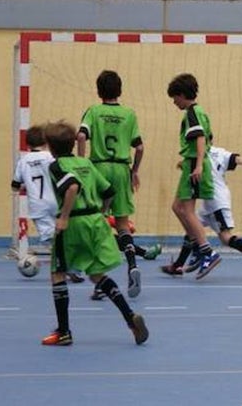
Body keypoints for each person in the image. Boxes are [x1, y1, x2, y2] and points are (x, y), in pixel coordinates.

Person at [40, 120, 148, 347]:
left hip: (74, 224)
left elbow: (71, 187)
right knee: (96, 274)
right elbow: (109, 190)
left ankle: (64, 332)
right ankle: (130, 317)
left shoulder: (56, 166)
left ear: (50, 146)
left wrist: (64, 217)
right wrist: (102, 211)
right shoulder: (86, 163)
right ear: (71, 144)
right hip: (95, 221)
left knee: (58, 273)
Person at [160, 146, 242, 281]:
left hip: (218, 201)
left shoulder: (211, 153)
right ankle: (179, 265)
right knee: (192, 228)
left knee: (225, 237)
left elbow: (238, 159)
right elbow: (238, 159)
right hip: (208, 202)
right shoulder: (214, 153)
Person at [77, 70, 144, 298]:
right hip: (122, 169)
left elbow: (82, 135)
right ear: (120, 90)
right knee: (123, 224)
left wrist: (82, 162)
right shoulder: (129, 114)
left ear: (99, 91)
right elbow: (140, 147)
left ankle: (100, 282)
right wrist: (134, 171)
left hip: (100, 169)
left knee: (100, 221)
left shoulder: (93, 111)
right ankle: (133, 264)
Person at [11, 124, 83, 283]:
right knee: (65, 233)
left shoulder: (23, 161)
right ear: (46, 141)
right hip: (57, 201)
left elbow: (15, 186)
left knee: (53, 239)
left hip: (38, 206)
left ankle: (65, 265)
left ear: (28, 143)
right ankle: (74, 266)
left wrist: (27, 185)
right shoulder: (51, 157)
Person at [166, 73, 222, 279]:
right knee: (177, 207)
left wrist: (197, 164)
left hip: (195, 166)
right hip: (191, 162)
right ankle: (198, 246)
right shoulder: (197, 112)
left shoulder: (192, 112)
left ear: (182, 94)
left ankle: (208, 251)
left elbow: (199, 138)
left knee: (187, 211)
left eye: (175, 98)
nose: (174, 102)